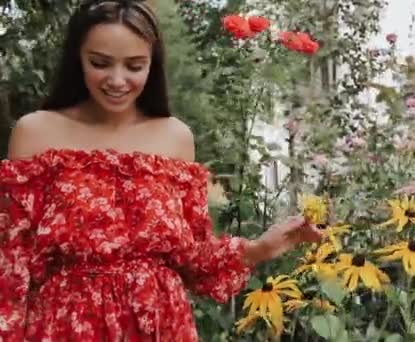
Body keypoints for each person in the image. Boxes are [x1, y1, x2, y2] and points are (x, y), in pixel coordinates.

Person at [0, 1, 322, 340]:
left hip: (161, 325)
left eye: (135, 66)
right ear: (76, 59)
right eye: (100, 63)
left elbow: (192, 258)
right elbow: (11, 263)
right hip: (64, 326)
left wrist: (259, 249)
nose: (117, 79)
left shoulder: (175, 137)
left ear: (153, 65)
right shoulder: (36, 132)